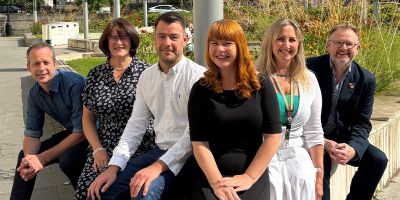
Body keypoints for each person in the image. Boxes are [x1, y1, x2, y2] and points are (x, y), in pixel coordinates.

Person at [87, 12, 206, 200]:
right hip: (159, 152)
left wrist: (157, 167)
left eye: (174, 37)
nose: (167, 42)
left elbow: (194, 135)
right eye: (161, 36)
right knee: (102, 192)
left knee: (143, 193)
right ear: (154, 38)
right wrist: (114, 166)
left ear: (185, 39)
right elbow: (136, 125)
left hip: (189, 157)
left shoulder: (199, 78)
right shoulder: (147, 77)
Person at [187, 19, 282, 200]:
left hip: (251, 174)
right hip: (210, 175)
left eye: (227, 43)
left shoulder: (261, 85)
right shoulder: (200, 89)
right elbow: (199, 143)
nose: (219, 49)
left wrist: (249, 177)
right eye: (214, 43)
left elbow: (273, 137)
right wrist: (217, 184)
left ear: (240, 46)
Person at [73, 18, 156, 200]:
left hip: (141, 145)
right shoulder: (95, 74)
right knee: (87, 190)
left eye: (124, 37)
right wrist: (97, 149)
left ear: (132, 40)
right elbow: (87, 117)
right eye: (113, 38)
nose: (119, 42)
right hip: (106, 146)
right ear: (106, 42)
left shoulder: (147, 73)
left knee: (120, 192)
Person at [306, 23, 388, 200]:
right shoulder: (308, 69)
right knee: (322, 167)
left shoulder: (366, 79)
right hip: (313, 137)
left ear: (357, 48)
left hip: (342, 138)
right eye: (338, 42)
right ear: (328, 45)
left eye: (349, 44)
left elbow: (362, 122)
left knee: (377, 160)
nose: (343, 48)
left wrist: (353, 148)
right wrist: (323, 141)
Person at [256, 18, 325, 200]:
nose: (286, 45)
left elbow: (314, 131)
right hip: (264, 159)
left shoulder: (309, 79)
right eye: (280, 39)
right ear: (270, 42)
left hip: (298, 159)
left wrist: (318, 176)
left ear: (299, 44)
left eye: (292, 40)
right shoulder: (255, 79)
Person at [10, 42, 88, 200]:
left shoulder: (74, 85)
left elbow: (82, 132)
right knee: (24, 156)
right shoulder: (35, 94)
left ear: (55, 63)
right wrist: (31, 160)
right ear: (28, 67)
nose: (41, 68)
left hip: (94, 133)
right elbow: (32, 134)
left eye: (46, 62)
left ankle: (85, 196)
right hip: (74, 132)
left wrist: (42, 159)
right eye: (36, 64)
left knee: (68, 159)